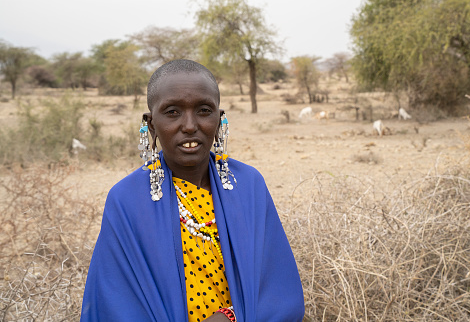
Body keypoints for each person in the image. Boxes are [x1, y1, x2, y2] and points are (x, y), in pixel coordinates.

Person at [81, 59, 305, 322]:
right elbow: (114, 303)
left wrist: (229, 318)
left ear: (220, 120)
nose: (189, 125)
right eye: (173, 112)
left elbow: (280, 292)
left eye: (203, 110)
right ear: (151, 124)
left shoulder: (248, 186)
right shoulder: (127, 200)